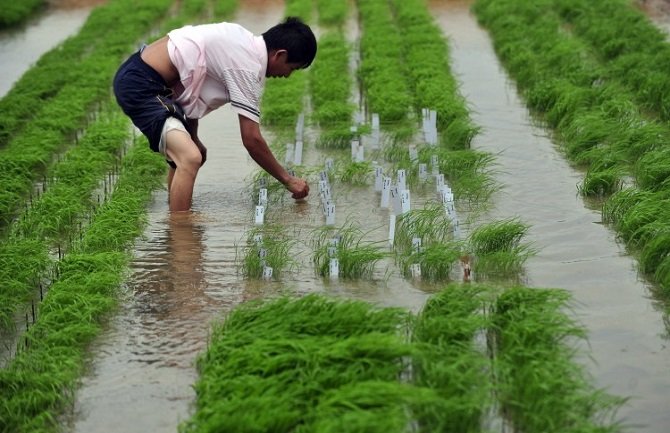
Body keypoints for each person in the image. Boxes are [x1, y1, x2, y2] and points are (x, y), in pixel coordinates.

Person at [113, 17, 316, 211]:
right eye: (292, 67)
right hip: (142, 85)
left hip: (147, 79)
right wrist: (288, 180)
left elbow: (191, 93)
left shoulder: (241, 40)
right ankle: (181, 233)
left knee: (192, 154)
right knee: (189, 157)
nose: (288, 75)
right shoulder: (245, 65)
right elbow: (252, 139)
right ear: (279, 54)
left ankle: (174, 218)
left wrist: (193, 137)